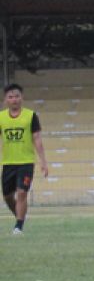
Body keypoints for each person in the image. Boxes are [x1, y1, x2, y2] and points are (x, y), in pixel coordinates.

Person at [2, 83, 50, 235]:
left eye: (17, 96)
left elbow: (37, 139)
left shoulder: (30, 116)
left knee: (22, 193)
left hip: (26, 162)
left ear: (22, 98)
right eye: (10, 97)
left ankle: (18, 226)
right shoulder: (1, 117)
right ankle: (19, 215)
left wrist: (43, 161)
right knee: (8, 196)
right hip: (8, 163)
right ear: (5, 100)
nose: (14, 99)